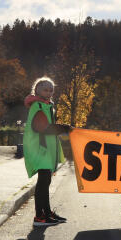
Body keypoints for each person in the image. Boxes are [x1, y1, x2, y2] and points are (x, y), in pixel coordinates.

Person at [22, 77, 72, 227]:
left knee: (46, 181)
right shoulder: (37, 105)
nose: (49, 92)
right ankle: (39, 216)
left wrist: (61, 128)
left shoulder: (47, 105)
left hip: (46, 148)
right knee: (43, 182)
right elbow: (42, 127)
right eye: (45, 89)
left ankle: (47, 212)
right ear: (37, 90)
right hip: (40, 148)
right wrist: (63, 128)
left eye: (51, 90)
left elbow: (47, 126)